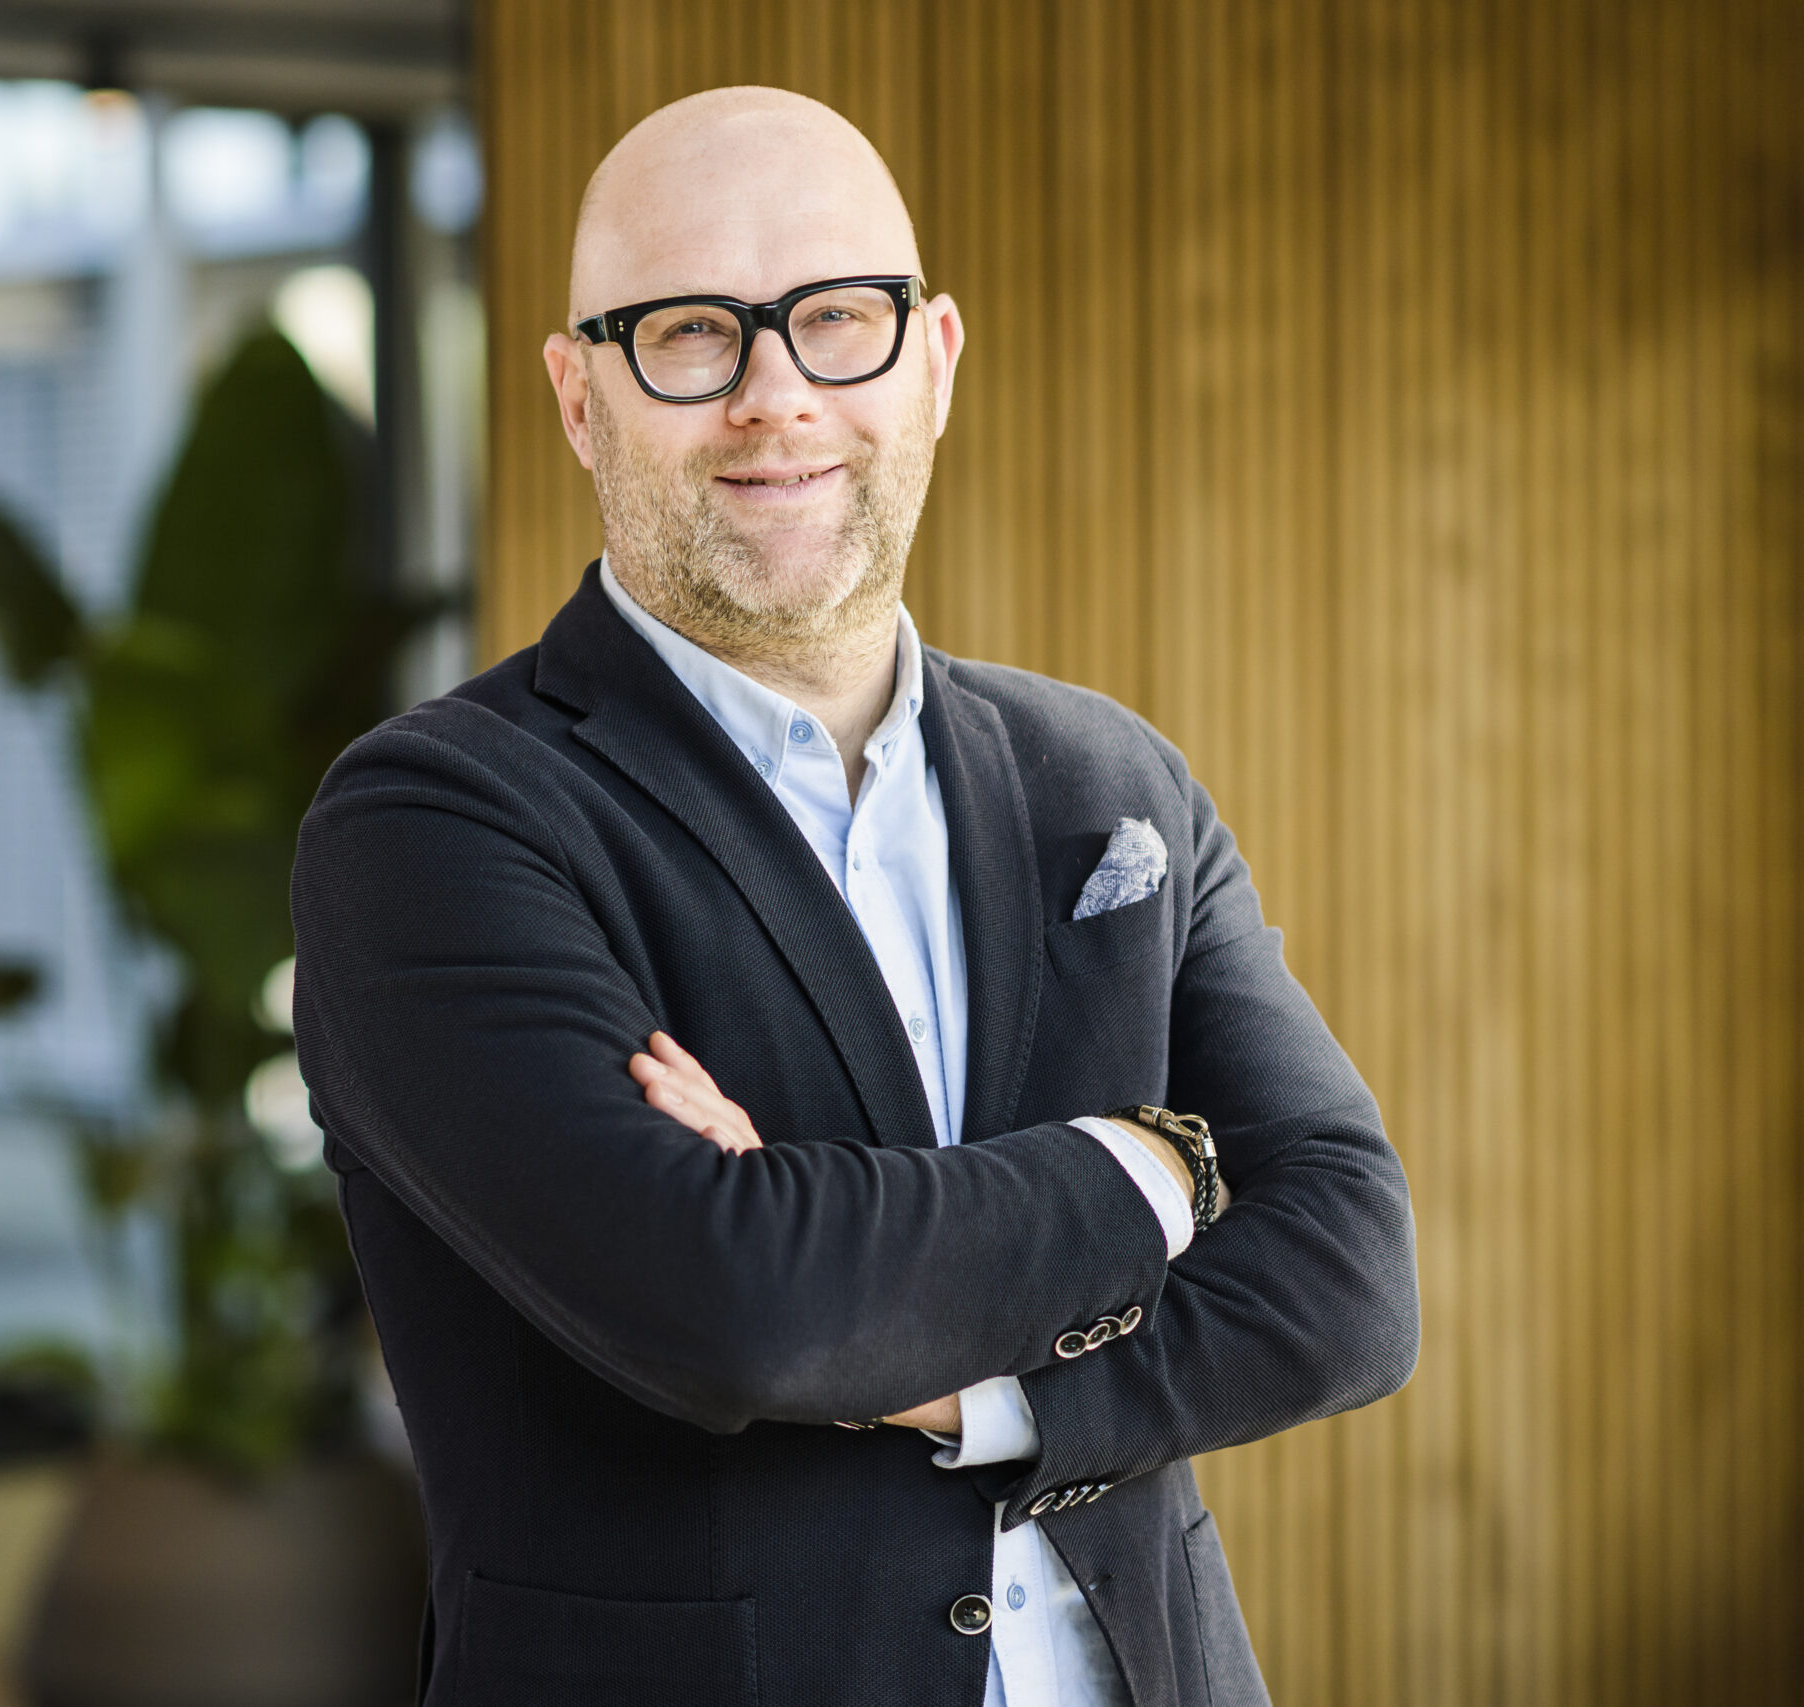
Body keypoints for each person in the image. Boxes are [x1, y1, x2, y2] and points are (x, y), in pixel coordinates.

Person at [290, 86, 1416, 1707]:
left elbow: (1351, 1278)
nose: (775, 396)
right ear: (576, 392)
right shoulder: (438, 819)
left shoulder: (1106, 779)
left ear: (936, 359)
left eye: (838, 321)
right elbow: (737, 1310)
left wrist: (970, 1393)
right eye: (689, 332)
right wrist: (1155, 1167)